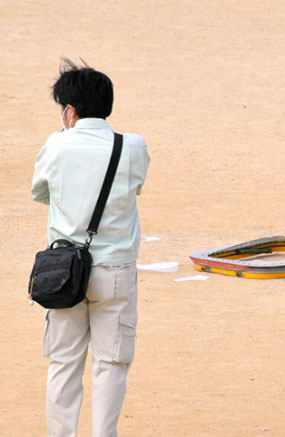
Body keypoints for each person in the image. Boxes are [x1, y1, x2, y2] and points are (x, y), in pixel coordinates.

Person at [31, 59, 150, 436]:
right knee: (111, 364)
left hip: (64, 271)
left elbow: (40, 193)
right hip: (115, 272)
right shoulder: (132, 146)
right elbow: (136, 188)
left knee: (64, 363)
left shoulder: (56, 145)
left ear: (69, 110)